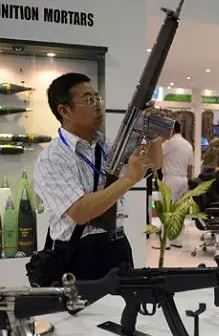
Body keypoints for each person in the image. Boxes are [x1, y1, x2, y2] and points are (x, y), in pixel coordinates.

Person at [34, 72, 163, 280]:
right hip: (78, 254)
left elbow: (153, 164)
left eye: (97, 98)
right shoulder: (52, 158)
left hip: (117, 246)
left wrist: (153, 135)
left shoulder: (104, 145)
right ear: (65, 110)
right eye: (88, 100)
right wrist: (128, 179)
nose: (97, 105)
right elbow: (80, 211)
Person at [160, 120, 194, 249]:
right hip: (183, 179)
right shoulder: (188, 145)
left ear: (171, 130)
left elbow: (157, 155)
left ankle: (166, 242)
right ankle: (177, 240)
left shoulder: (169, 143)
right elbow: (190, 167)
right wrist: (187, 182)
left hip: (170, 178)